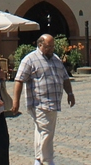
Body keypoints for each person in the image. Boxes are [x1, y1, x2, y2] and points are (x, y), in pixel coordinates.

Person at [11, 34, 75, 165]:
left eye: (52, 46)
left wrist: (70, 93)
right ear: (40, 45)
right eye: (48, 46)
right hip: (39, 102)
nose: (51, 49)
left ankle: (38, 160)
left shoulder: (56, 59)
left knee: (41, 130)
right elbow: (19, 80)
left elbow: (65, 78)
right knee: (46, 131)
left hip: (54, 102)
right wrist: (15, 101)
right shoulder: (30, 59)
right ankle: (47, 160)